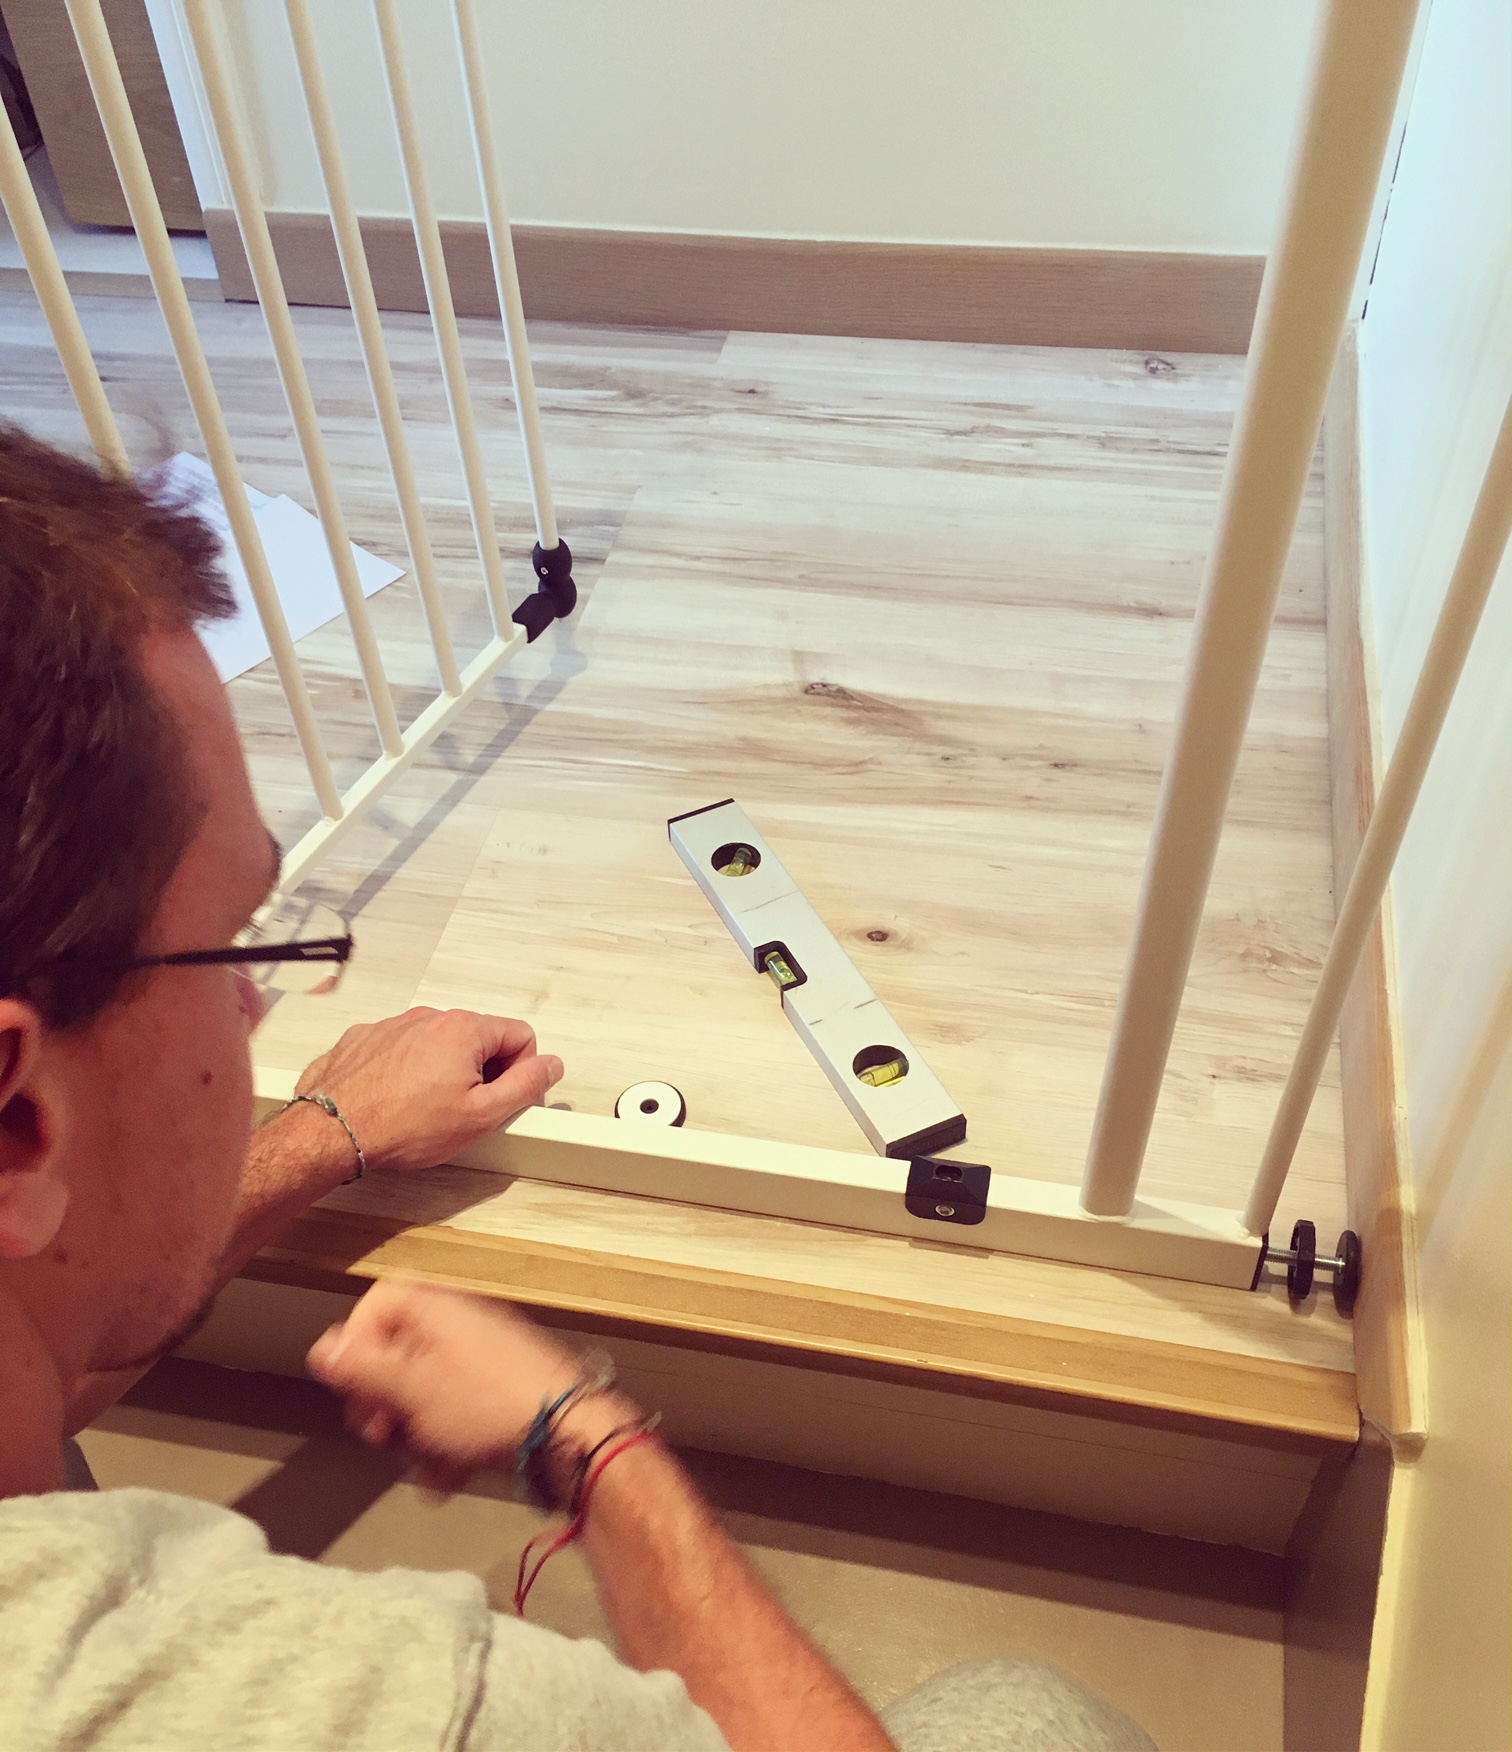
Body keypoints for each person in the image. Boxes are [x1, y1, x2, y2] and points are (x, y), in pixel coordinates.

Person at [0, 427, 1156, 1752]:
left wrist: (321, 1139)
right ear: (20, 1121)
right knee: (1034, 1717)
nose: (258, 1008)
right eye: (236, 944)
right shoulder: (373, 1704)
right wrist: (589, 1441)